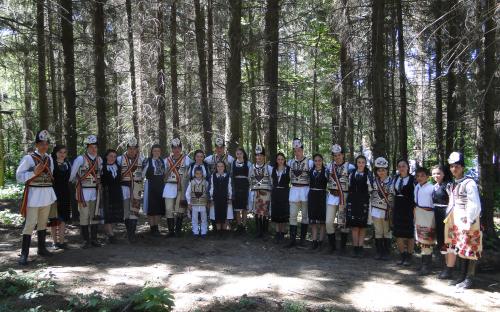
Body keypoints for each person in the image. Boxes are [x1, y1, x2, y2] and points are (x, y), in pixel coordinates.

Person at [16, 130, 57, 265]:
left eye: (46, 144)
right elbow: (19, 177)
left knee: (43, 223)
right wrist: (33, 172)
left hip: (46, 193)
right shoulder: (29, 158)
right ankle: (24, 254)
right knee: (30, 224)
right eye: (41, 143)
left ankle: (41, 248)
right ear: (36, 144)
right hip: (33, 194)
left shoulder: (49, 158)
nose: (44, 146)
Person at [445, 152, 482, 289]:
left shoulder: (469, 183)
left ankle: (469, 278)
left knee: (471, 248)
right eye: (452, 166)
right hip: (458, 221)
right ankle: (461, 275)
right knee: (461, 247)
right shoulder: (454, 183)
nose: (454, 169)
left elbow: (474, 203)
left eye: (457, 166)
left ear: (462, 167)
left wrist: (470, 220)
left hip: (469, 220)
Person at [70, 135, 103, 248]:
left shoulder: (99, 159)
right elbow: (72, 175)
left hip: (95, 191)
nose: (94, 149)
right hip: (83, 191)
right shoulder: (80, 159)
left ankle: (94, 239)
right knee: (84, 215)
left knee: (94, 215)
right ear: (87, 147)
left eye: (95, 147)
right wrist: (77, 183)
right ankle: (85, 240)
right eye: (91, 147)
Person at [326, 144, 355, 253]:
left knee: (343, 222)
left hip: (344, 196)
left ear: (343, 155)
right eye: (335, 155)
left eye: (339, 155)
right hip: (332, 196)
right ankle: (332, 246)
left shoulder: (350, 167)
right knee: (329, 222)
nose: (337, 157)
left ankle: (342, 246)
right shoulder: (329, 167)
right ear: (333, 156)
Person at [286, 138, 313, 248]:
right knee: (292, 215)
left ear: (302, 150)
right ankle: (292, 240)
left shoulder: (310, 163)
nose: (297, 152)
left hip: (305, 189)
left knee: (305, 216)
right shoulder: (290, 162)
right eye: (295, 150)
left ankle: (302, 239)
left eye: (299, 150)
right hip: (294, 189)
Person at [117, 137, 144, 243]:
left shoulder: (141, 159)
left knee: (135, 210)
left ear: (137, 149)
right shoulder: (120, 159)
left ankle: (132, 235)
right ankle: (129, 233)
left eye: (134, 148)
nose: (132, 150)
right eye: (130, 148)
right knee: (126, 211)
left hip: (136, 187)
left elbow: (144, 172)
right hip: (124, 187)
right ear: (127, 148)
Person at [163, 138, 191, 236]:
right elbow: (163, 174)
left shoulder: (187, 159)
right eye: (174, 148)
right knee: (169, 208)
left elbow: (190, 173)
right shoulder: (166, 160)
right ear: (171, 149)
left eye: (178, 147)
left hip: (181, 186)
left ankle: (178, 230)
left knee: (180, 209)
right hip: (169, 185)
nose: (176, 150)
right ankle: (171, 231)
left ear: (181, 148)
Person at [346, 155, 371, 257]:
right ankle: (355, 247)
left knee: (362, 226)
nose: (361, 164)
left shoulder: (368, 174)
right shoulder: (351, 174)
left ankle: (361, 247)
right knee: (355, 226)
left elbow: (370, 189)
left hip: (363, 201)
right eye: (359, 162)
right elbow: (348, 186)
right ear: (356, 163)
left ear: (365, 164)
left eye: (363, 162)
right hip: (353, 200)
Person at [369, 157, 394, 260]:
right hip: (375, 209)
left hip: (387, 210)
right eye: (379, 170)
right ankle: (379, 251)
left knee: (387, 231)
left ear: (387, 170)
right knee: (378, 231)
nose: (381, 172)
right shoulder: (373, 181)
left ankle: (387, 252)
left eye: (383, 170)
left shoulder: (392, 181)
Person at [392, 159, 415, 266]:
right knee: (398, 233)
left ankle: (409, 257)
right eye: (399, 166)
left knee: (409, 234)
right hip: (398, 208)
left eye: (404, 166)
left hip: (409, 208)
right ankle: (403, 255)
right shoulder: (395, 178)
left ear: (408, 167)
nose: (401, 168)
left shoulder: (413, 179)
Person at [432, 165, 453, 279]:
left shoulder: (448, 185)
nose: (436, 175)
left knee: (447, 241)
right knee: (440, 240)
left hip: (446, 215)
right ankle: (444, 265)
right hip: (436, 215)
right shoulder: (434, 186)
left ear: (444, 174)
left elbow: (453, 201)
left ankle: (448, 268)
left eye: (438, 173)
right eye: (434, 173)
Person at [414, 167, 435, 275]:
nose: (420, 178)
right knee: (421, 240)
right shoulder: (417, 187)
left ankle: (427, 265)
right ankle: (423, 263)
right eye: (418, 176)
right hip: (419, 213)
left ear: (428, 176)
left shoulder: (432, 188)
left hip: (428, 214)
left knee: (427, 239)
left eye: (422, 175)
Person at [49, 144, 71, 249]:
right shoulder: (51, 163)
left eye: (64, 152)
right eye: (60, 152)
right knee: (54, 218)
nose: (62, 154)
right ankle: (54, 242)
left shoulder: (68, 164)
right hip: (54, 193)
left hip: (65, 193)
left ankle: (62, 242)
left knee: (63, 218)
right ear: (55, 153)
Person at [249, 145, 273, 239]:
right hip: (256, 193)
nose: (259, 157)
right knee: (257, 212)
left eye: (261, 155)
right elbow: (249, 180)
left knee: (265, 212)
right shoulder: (252, 167)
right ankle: (258, 231)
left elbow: (272, 181)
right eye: (257, 155)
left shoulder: (268, 168)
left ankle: (265, 231)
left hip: (266, 193)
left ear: (264, 156)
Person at [100, 149, 123, 244]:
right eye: (111, 156)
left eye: (114, 156)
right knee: (107, 214)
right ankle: (111, 235)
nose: (113, 158)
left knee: (113, 215)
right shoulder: (102, 167)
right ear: (106, 156)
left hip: (117, 192)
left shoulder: (118, 167)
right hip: (107, 192)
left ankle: (109, 234)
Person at [142, 144, 166, 236]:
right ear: (152, 151)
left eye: (158, 151)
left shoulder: (162, 161)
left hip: (160, 186)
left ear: (160, 152)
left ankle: (156, 227)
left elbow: (164, 175)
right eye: (155, 150)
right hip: (150, 185)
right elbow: (142, 174)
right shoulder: (147, 161)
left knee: (158, 207)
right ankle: (152, 228)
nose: (156, 152)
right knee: (151, 207)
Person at [308, 154, 328, 250]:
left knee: (322, 220)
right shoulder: (311, 171)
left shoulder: (326, 171)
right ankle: (314, 240)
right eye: (315, 160)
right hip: (312, 195)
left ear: (322, 161)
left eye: (319, 160)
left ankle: (321, 241)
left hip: (322, 195)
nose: (317, 162)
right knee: (313, 220)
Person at [209, 161, 233, 236]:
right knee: (217, 214)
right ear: (216, 167)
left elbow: (230, 188)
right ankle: (218, 232)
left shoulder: (228, 176)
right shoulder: (213, 176)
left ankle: (224, 231)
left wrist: (230, 198)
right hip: (216, 198)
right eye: (218, 166)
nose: (220, 168)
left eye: (222, 166)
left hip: (225, 197)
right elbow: (211, 188)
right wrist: (211, 198)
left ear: (224, 167)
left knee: (225, 214)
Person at [271, 153, 290, 243]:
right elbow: (272, 181)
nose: (280, 161)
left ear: (284, 160)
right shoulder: (274, 169)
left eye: (282, 159)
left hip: (284, 192)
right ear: (276, 160)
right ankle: (277, 232)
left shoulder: (288, 169)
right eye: (278, 159)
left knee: (283, 213)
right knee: (276, 212)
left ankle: (282, 232)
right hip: (275, 193)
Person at [186, 167, 210, 237]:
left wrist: (208, 202)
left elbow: (208, 193)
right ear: (194, 174)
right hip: (194, 203)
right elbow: (187, 193)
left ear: (202, 174)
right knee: (194, 218)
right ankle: (195, 231)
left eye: (200, 173)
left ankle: (203, 231)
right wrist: (188, 203)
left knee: (204, 218)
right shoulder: (191, 182)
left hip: (203, 203)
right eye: (197, 174)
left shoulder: (206, 182)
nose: (198, 175)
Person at [231, 147, 251, 233]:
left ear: (243, 154)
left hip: (245, 187)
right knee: (237, 207)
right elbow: (231, 175)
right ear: (236, 155)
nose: (239, 155)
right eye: (237, 154)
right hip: (236, 186)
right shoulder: (233, 163)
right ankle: (239, 225)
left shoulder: (248, 163)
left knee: (244, 208)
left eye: (240, 153)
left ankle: (244, 226)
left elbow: (250, 176)